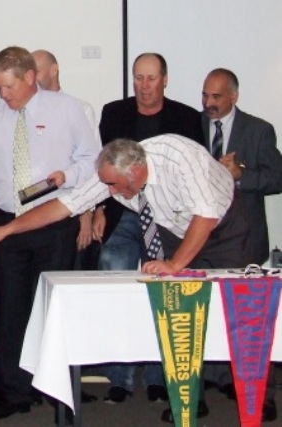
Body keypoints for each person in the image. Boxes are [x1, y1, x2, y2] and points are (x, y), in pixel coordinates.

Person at [0, 135, 252, 423]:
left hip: (223, 227)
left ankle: (257, 396)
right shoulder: (113, 171)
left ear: (135, 172)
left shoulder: (181, 157)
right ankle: (189, 398)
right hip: (177, 231)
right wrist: (7, 229)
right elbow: (66, 205)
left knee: (237, 312)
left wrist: (174, 264)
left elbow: (206, 215)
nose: (109, 192)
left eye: (113, 185)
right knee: (180, 312)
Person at [0, 46, 99, 420]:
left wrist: (70, 176)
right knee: (9, 310)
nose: (3, 95)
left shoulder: (68, 109)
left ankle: (53, 387)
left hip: (54, 221)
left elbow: (92, 160)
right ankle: (14, 392)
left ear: (30, 77)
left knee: (50, 310)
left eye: (8, 87)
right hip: (7, 223)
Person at [93, 53, 205, 404]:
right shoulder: (114, 113)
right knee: (113, 274)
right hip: (124, 213)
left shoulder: (186, 117)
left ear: (165, 80)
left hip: (167, 219)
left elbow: (194, 178)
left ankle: (159, 376)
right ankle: (119, 377)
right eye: (138, 78)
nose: (144, 86)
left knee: (165, 291)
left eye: (151, 79)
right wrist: (97, 208)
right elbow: (103, 169)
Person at [201, 67, 282, 422]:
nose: (209, 103)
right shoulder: (193, 124)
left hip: (245, 235)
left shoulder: (259, 129)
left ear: (234, 96)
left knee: (247, 315)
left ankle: (255, 388)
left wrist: (240, 176)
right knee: (203, 311)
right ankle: (203, 382)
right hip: (202, 236)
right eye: (205, 96)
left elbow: (276, 178)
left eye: (216, 97)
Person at [32, 49, 100, 269]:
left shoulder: (80, 109)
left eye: (37, 72)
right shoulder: (23, 112)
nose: (32, 78)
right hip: (33, 208)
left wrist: (86, 216)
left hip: (70, 210)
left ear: (54, 70)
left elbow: (91, 165)